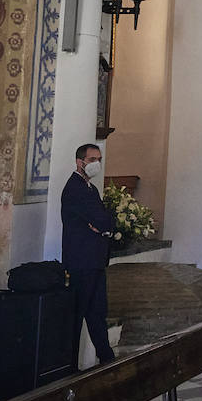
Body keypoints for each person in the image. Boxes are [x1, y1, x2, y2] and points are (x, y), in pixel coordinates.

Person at [61, 143, 115, 365]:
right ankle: (68, 367)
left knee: (96, 313)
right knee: (76, 315)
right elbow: (101, 219)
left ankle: (107, 359)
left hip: (94, 260)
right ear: (79, 162)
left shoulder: (91, 188)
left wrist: (104, 224)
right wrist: (103, 224)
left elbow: (103, 220)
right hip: (81, 261)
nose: (96, 164)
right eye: (92, 160)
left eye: (99, 159)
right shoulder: (75, 188)